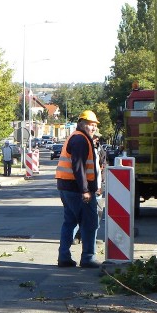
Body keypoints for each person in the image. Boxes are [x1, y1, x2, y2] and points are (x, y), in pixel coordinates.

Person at [55, 110, 101, 269]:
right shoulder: (80, 140)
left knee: (70, 222)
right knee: (90, 223)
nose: (93, 127)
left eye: (95, 125)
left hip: (67, 187)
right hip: (77, 190)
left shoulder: (76, 137)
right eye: (90, 124)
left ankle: (64, 257)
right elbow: (78, 166)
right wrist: (85, 190)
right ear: (81, 123)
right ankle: (88, 257)